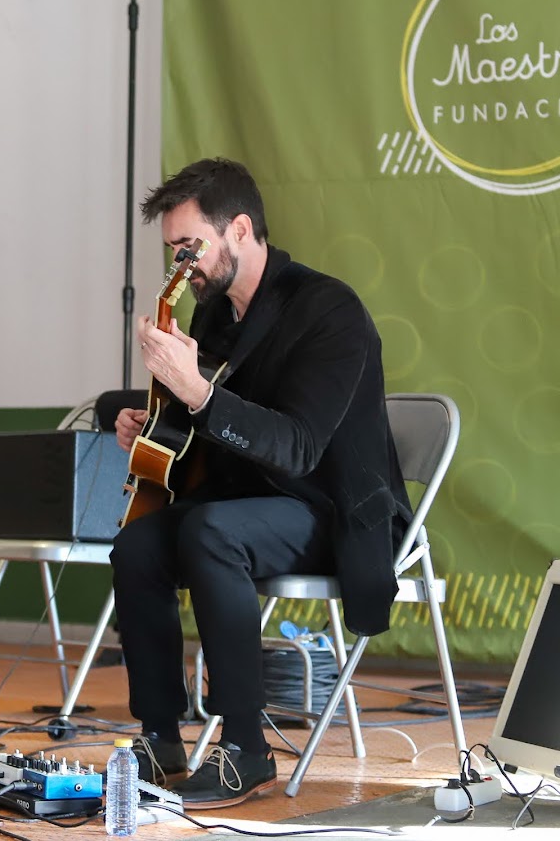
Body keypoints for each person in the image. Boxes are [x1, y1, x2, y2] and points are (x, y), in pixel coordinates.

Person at [111, 158, 411, 808]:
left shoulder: (329, 311)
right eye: (171, 251)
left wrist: (193, 391)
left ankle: (245, 748)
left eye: (189, 247)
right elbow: (216, 434)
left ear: (239, 229)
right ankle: (159, 739)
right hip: (247, 505)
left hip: (330, 513)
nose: (180, 266)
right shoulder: (215, 314)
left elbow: (297, 448)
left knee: (211, 531)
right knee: (136, 546)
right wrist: (157, 424)